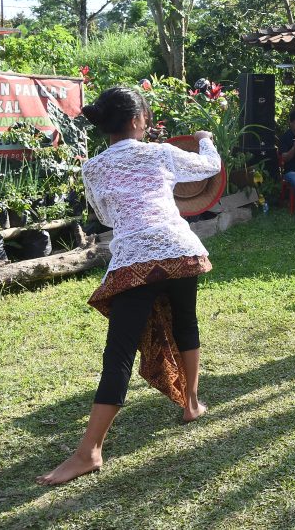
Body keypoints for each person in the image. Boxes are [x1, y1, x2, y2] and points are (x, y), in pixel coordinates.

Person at [37, 86, 221, 486]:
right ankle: (191, 404)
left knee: (119, 351)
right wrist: (206, 138)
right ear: (138, 120)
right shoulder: (161, 153)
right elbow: (209, 166)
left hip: (135, 256)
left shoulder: (93, 168)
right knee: (186, 323)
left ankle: (89, 451)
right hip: (180, 248)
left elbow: (106, 216)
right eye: (146, 118)